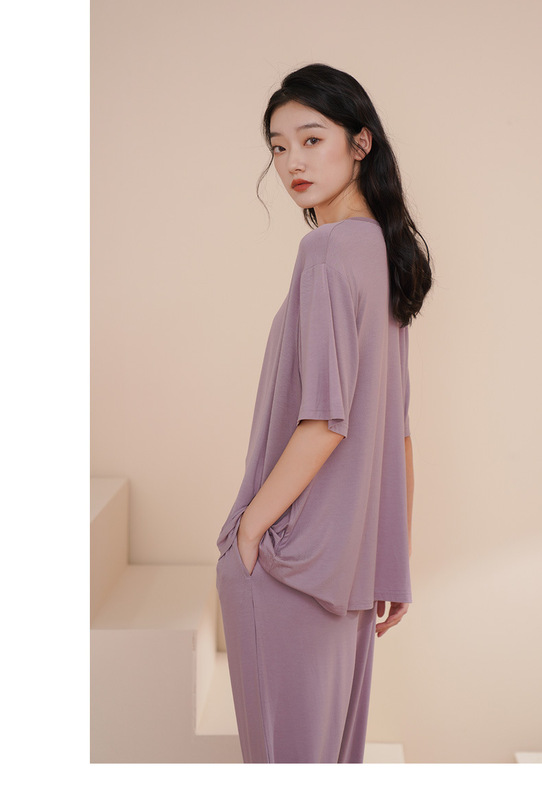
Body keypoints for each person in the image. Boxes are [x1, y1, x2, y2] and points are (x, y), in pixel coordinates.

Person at [215, 62, 433, 764]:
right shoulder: (383, 252)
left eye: (312, 140)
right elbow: (397, 432)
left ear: (360, 142)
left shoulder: (328, 250)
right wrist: (391, 564)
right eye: (279, 147)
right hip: (350, 572)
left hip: (291, 563)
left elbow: (327, 423)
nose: (292, 163)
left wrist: (249, 529)